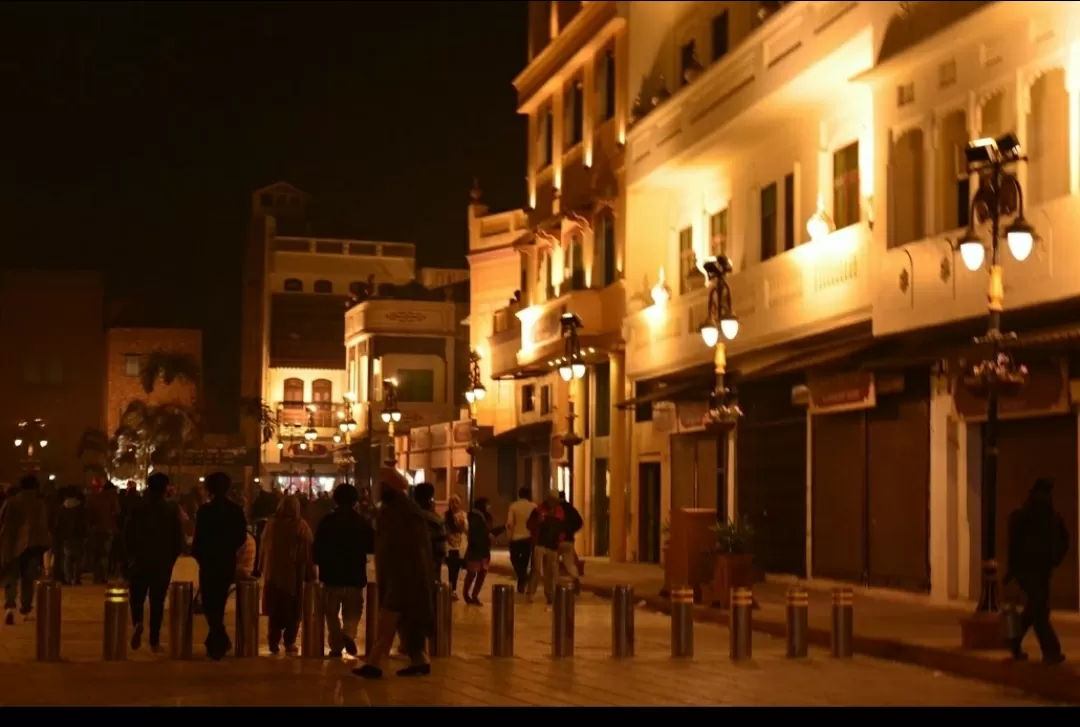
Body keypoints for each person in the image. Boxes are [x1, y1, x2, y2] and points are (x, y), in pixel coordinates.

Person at [353, 467, 434, 680]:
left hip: (403, 577)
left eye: (383, 486)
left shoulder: (403, 513)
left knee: (388, 622)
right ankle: (419, 661)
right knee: (407, 623)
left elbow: (403, 548)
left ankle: (373, 663)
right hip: (400, 576)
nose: (379, 490)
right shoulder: (396, 511)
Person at [1005, 477, 1069, 664]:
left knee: (1035, 611)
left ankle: (1014, 641)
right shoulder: (1025, 516)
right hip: (1031, 572)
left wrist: (1055, 558)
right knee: (1039, 613)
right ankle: (1051, 651)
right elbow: (1015, 545)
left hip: (1040, 571)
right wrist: (1013, 571)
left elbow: (1063, 539)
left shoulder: (1047, 517)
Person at [313, 483, 374, 659]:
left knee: (331, 614)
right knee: (353, 610)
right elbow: (371, 545)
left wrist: (319, 563)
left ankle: (336, 646)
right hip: (354, 575)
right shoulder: (361, 522)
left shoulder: (327, 521)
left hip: (331, 576)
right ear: (355, 500)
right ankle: (348, 632)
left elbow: (317, 548)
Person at [191, 471, 248, 660]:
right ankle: (218, 640)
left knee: (209, 602)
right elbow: (242, 536)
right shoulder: (236, 510)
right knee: (220, 601)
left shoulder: (205, 511)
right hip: (226, 560)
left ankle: (218, 640)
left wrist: (198, 554)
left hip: (209, 561)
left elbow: (199, 537)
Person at [125, 472, 184, 652]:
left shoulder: (137, 508)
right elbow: (178, 537)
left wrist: (130, 557)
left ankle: (138, 622)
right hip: (162, 562)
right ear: (165, 488)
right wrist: (172, 558)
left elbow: (127, 534)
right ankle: (154, 639)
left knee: (137, 597)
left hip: (140, 560)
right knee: (157, 601)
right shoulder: (171, 509)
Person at [259, 494, 314, 654]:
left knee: (275, 612)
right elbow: (308, 548)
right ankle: (289, 641)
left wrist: (261, 567)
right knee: (293, 611)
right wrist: (311, 573)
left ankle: (273, 642)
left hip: (274, 574)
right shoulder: (300, 525)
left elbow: (263, 548)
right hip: (294, 574)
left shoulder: (272, 524)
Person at [0, 475, 52, 624]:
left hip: (13, 545)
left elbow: (3, 522)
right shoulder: (39, 504)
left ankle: (10, 607)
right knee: (28, 579)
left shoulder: (12, 502)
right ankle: (26, 609)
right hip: (33, 546)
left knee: (11, 577)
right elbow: (43, 526)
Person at [528, 492, 567, 604]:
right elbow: (529, 524)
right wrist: (537, 525)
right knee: (537, 570)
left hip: (552, 545)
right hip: (540, 543)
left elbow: (562, 528)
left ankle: (549, 595)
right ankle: (531, 592)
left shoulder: (560, 512)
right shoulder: (538, 510)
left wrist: (560, 540)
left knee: (549, 571)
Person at [463, 497, 500, 606]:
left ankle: (474, 595)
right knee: (472, 573)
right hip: (476, 550)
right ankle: (466, 594)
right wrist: (486, 536)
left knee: (482, 573)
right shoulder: (475, 517)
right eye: (488, 504)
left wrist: (500, 529)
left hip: (484, 550)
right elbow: (476, 534)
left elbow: (488, 531)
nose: (490, 507)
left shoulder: (486, 517)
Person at [86, 482, 120, 584]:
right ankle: (103, 576)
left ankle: (96, 576)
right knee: (104, 554)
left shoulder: (93, 498)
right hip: (107, 529)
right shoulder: (112, 498)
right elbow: (118, 511)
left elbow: (88, 513)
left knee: (96, 554)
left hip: (95, 529)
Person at [53, 486, 88, 586]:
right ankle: (76, 578)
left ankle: (68, 578)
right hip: (79, 535)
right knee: (78, 558)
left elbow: (59, 524)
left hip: (66, 536)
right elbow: (84, 522)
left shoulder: (62, 508)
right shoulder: (81, 508)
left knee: (67, 558)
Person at [505, 487, 536, 594]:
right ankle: (522, 579)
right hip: (528, 538)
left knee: (514, 559)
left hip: (516, 538)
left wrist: (508, 538)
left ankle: (522, 578)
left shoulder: (514, 506)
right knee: (524, 561)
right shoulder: (533, 507)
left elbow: (510, 524)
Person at [413, 483, 447, 580]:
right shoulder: (434, 520)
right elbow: (441, 550)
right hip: (430, 566)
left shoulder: (407, 517)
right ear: (430, 499)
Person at [559, 491, 583, 591]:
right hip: (569, 539)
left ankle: (555, 584)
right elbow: (579, 522)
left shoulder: (556, 509)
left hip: (556, 540)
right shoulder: (571, 509)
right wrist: (571, 531)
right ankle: (575, 578)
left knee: (552, 563)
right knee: (569, 563)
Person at [444, 495, 467, 601]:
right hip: (450, 547)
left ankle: (453, 589)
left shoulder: (463, 515)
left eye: (456, 502)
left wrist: (461, 524)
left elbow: (465, 529)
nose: (454, 505)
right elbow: (445, 530)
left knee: (456, 569)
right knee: (451, 569)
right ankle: (451, 590)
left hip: (459, 546)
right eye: (452, 502)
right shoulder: (446, 515)